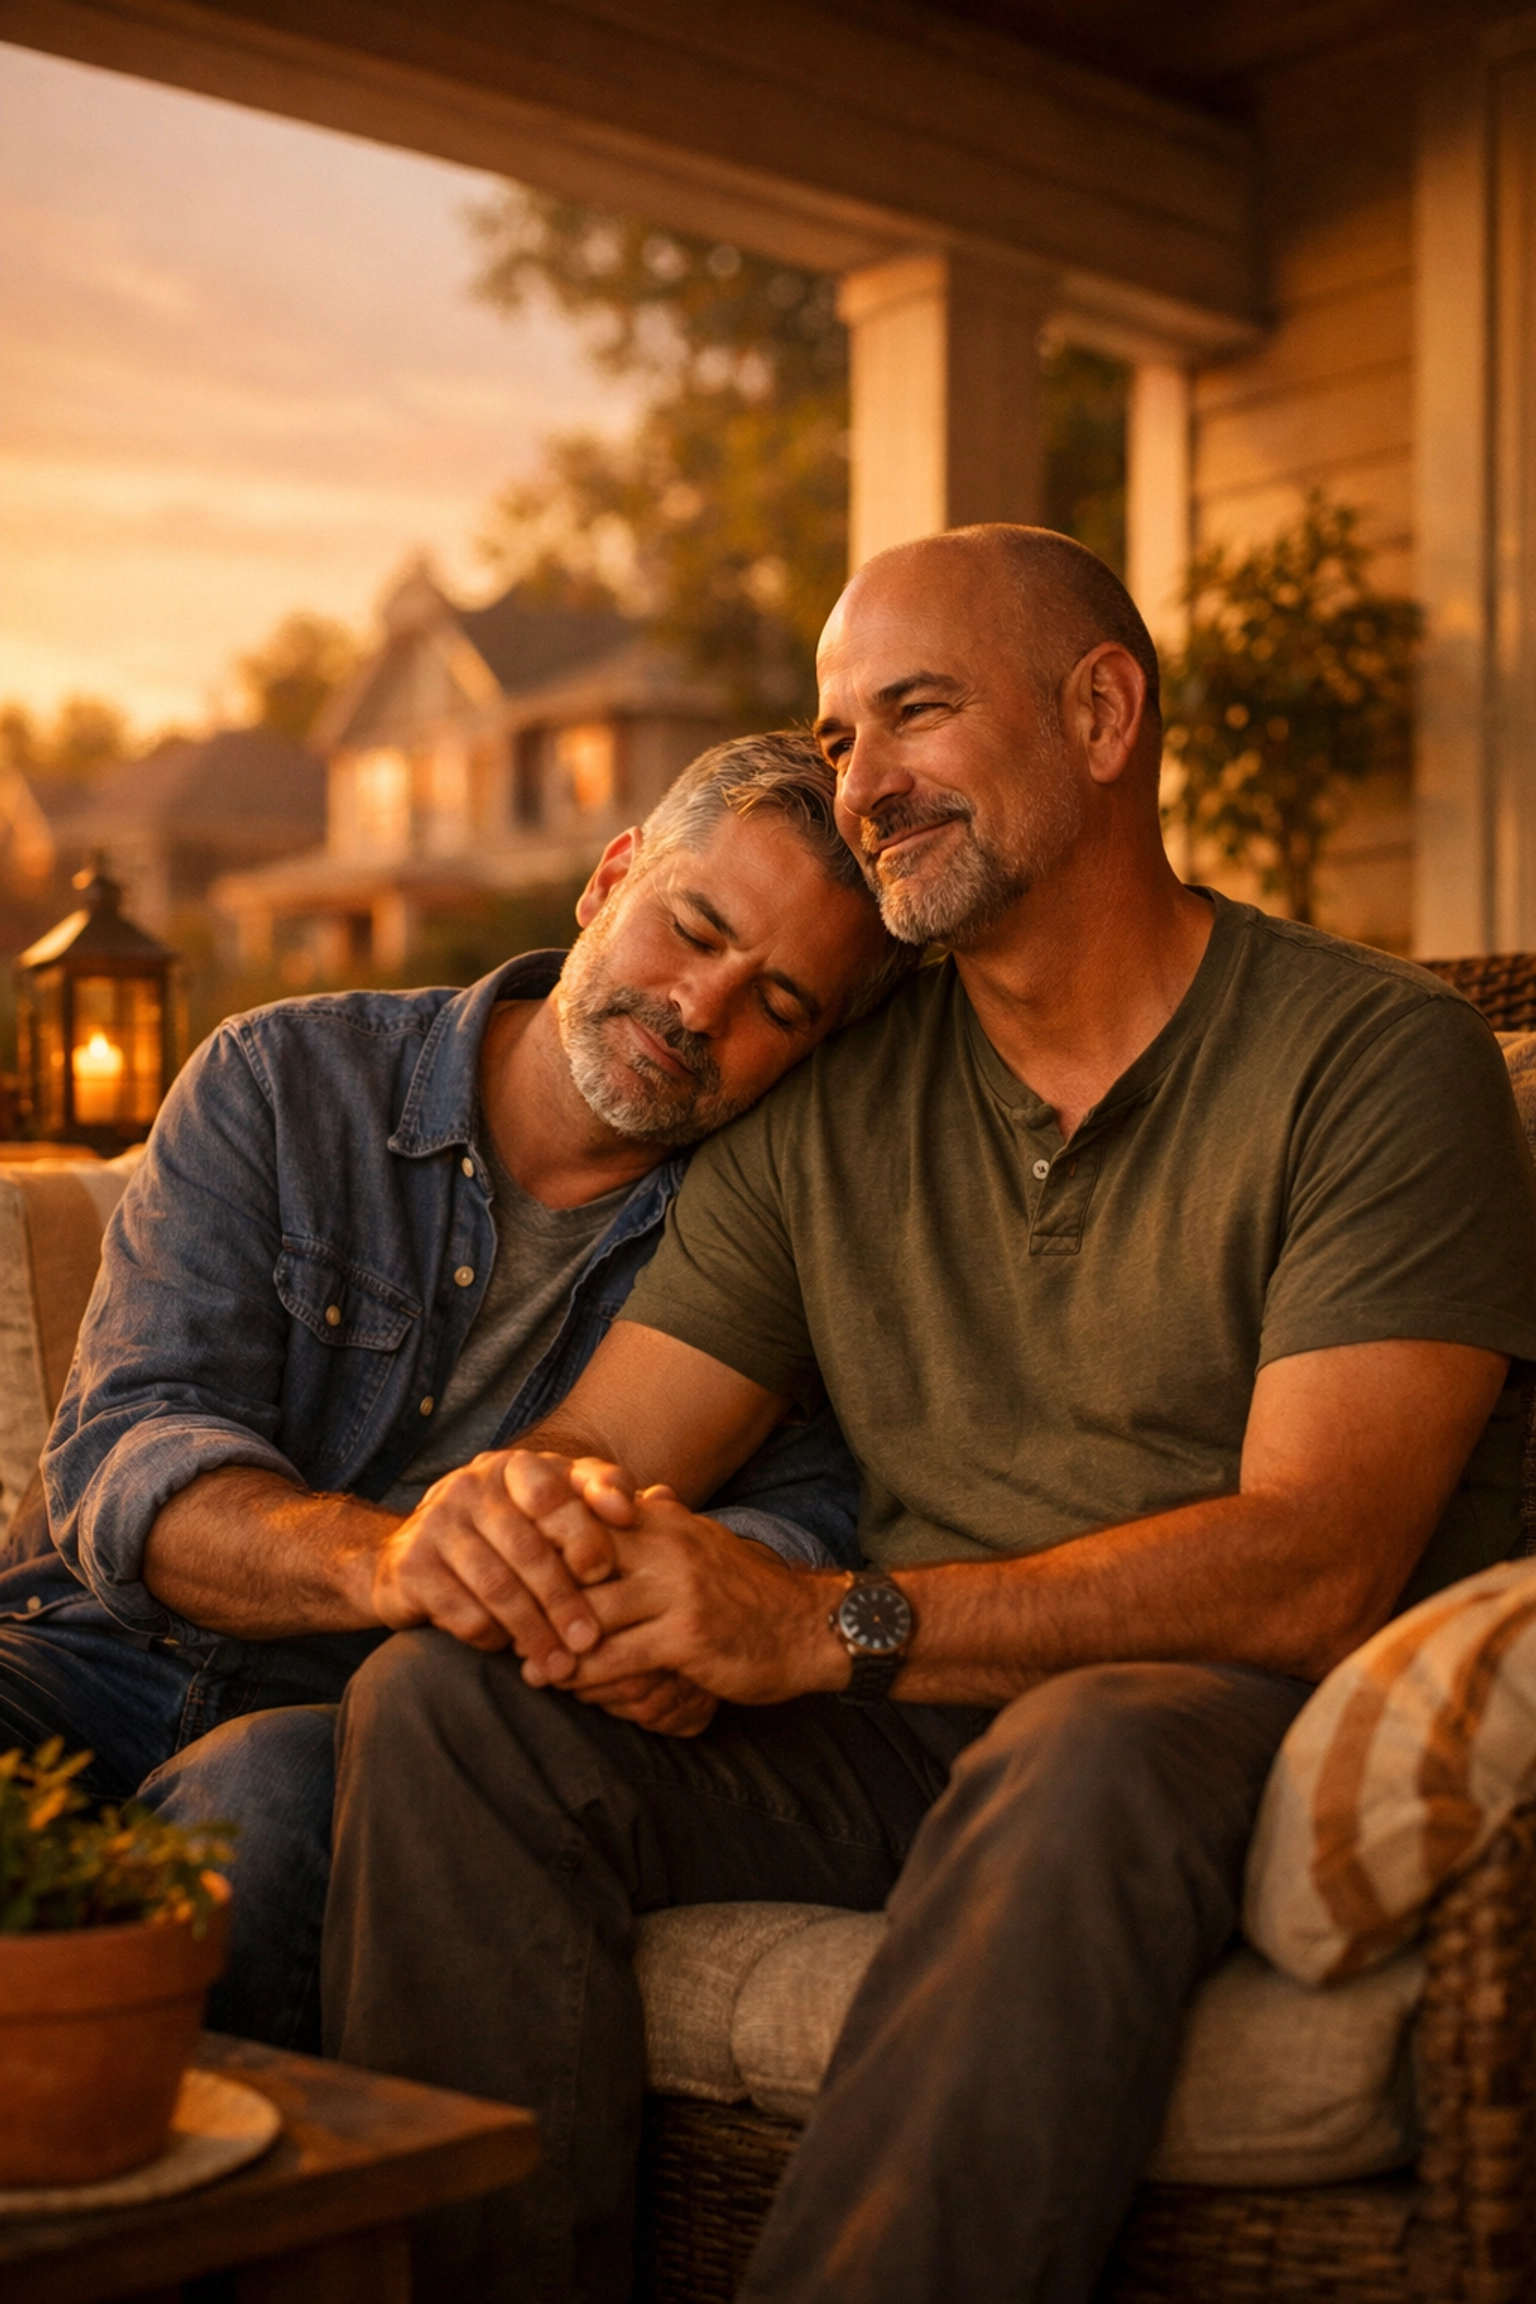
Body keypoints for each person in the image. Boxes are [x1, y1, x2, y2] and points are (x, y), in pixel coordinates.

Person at [316, 524, 1536, 2304]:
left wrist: (819, 1626)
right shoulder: (832, 1106)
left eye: (918, 713)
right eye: (837, 737)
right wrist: (533, 1528)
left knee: (1084, 1749)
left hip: (1210, 1718)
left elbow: (1316, 1563)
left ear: (1102, 715)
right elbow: (608, 1445)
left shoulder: (1371, 1060)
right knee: (447, 1708)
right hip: (906, 1730)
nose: (862, 786)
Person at [0, 730, 910, 2046]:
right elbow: (129, 1449)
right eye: (692, 929)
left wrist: (686, 1623)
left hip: (368, 1727)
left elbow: (807, 1514)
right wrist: (390, 1560)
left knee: (265, 1807)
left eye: (777, 1003)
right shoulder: (284, 1080)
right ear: (610, 878)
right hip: (93, 1651)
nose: (700, 1007)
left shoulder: (764, 1238)